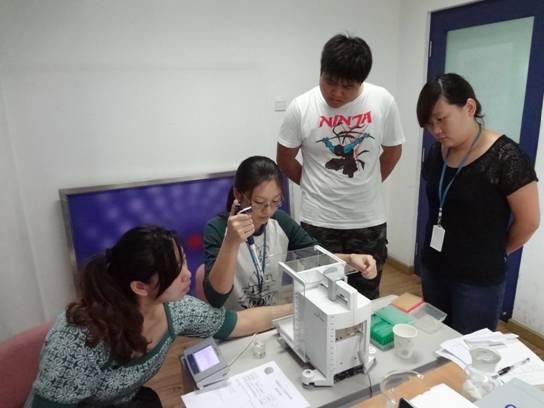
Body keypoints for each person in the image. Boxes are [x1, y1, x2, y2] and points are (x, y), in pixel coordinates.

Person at [27, 225, 292, 407]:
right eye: (175, 272)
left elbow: (238, 322)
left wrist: (297, 308)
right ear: (140, 287)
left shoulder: (176, 309)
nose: (187, 274)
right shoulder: (78, 341)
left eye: (184, 260)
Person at [276, 34, 405, 300]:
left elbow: (393, 151)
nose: (336, 92)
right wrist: (314, 185)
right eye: (329, 81)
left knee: (364, 297)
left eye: (347, 86)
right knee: (316, 298)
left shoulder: (382, 101)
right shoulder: (301, 107)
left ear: (362, 81)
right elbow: (285, 159)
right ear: (321, 71)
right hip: (318, 220)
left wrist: (367, 183)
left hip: (367, 221)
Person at [416, 73, 539, 334]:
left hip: (477, 281)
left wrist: (496, 251)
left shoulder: (506, 157)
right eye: (429, 124)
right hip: (434, 269)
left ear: (469, 107)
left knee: (469, 350)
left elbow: (529, 221)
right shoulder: (437, 152)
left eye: (441, 119)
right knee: (434, 342)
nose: (436, 130)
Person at [203, 156, 377, 310]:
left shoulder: (279, 221)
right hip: (237, 324)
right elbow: (216, 298)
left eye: (275, 201)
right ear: (239, 195)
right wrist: (231, 243)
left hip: (272, 319)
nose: (268, 211)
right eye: (259, 202)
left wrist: (351, 259)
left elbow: (316, 257)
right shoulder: (217, 229)